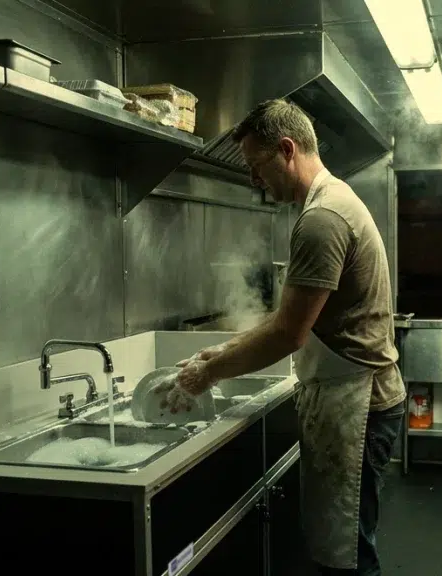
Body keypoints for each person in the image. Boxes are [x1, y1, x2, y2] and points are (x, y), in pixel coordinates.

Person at [159, 99, 406, 575]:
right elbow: (288, 320)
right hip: (355, 396)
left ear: (287, 149)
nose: (254, 180)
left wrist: (207, 372)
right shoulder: (330, 203)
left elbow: (289, 333)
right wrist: (224, 349)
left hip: (358, 402)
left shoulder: (322, 219)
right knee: (348, 546)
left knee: (348, 556)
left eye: (256, 166)